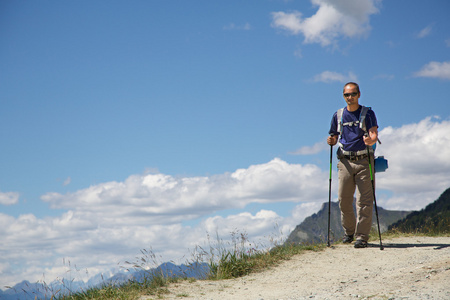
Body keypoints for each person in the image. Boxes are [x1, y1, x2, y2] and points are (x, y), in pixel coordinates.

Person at [327, 82, 378, 248]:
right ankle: (349, 232)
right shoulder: (338, 115)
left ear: (359, 94)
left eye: (353, 94)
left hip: (364, 161)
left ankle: (361, 237)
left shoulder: (368, 113)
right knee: (343, 199)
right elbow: (334, 135)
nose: (350, 97)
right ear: (343, 96)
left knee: (365, 201)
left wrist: (371, 139)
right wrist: (331, 140)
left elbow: (373, 134)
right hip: (345, 161)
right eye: (347, 95)